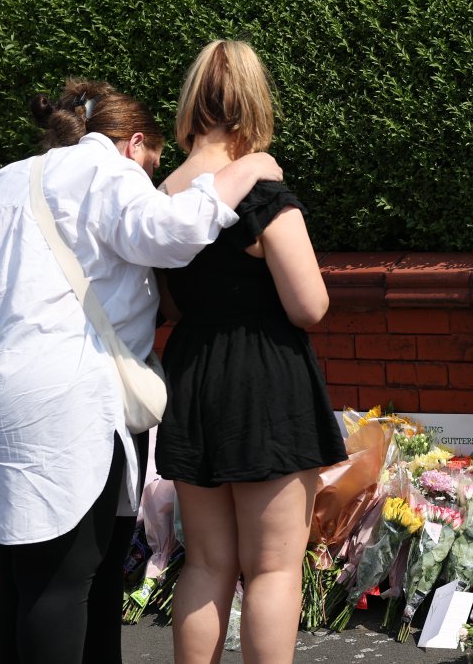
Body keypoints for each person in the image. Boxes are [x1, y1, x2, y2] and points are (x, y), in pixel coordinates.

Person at [0, 78, 283, 664]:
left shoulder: (9, 178)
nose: (152, 178)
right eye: (153, 164)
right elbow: (169, 234)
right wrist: (251, 166)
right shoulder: (110, 172)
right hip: (59, 404)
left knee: (19, 577)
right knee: (65, 583)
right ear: (134, 144)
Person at [155, 40, 347, 663]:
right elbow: (308, 305)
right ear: (253, 102)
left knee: (207, 564)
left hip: (192, 374)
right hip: (264, 379)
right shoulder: (261, 191)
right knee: (271, 569)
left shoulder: (164, 194)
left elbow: (174, 303)